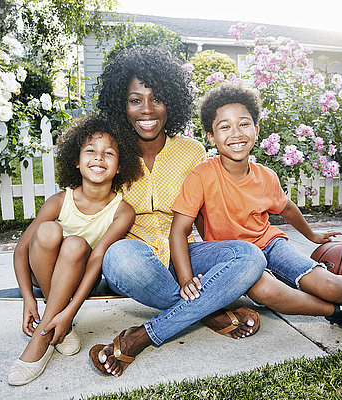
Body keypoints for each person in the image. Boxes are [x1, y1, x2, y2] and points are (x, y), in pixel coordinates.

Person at [170, 82, 342, 345]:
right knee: (266, 293)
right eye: (224, 127)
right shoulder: (202, 175)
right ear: (211, 135)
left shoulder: (266, 177)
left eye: (244, 124)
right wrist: (186, 279)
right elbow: (179, 231)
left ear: (256, 129)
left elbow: (287, 209)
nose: (236, 133)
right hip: (237, 257)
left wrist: (312, 234)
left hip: (269, 244)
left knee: (326, 284)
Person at [90, 46, 267, 377]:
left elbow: (206, 215)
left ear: (172, 101)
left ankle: (142, 336)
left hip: (183, 255)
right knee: (119, 256)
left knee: (251, 258)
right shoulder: (112, 151)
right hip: (135, 260)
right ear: (121, 104)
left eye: (157, 98)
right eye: (135, 100)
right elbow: (88, 207)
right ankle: (208, 311)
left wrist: (226, 252)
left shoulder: (192, 151)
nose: (147, 109)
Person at [7, 113, 142, 385]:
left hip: (83, 280)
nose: (98, 158)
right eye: (90, 151)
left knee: (76, 244)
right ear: (77, 162)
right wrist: (27, 300)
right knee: (47, 231)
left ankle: (41, 338)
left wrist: (71, 312)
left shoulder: (123, 211)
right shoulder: (59, 201)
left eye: (109, 153)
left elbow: (96, 260)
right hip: (43, 274)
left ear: (119, 167)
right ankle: (59, 325)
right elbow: (21, 251)